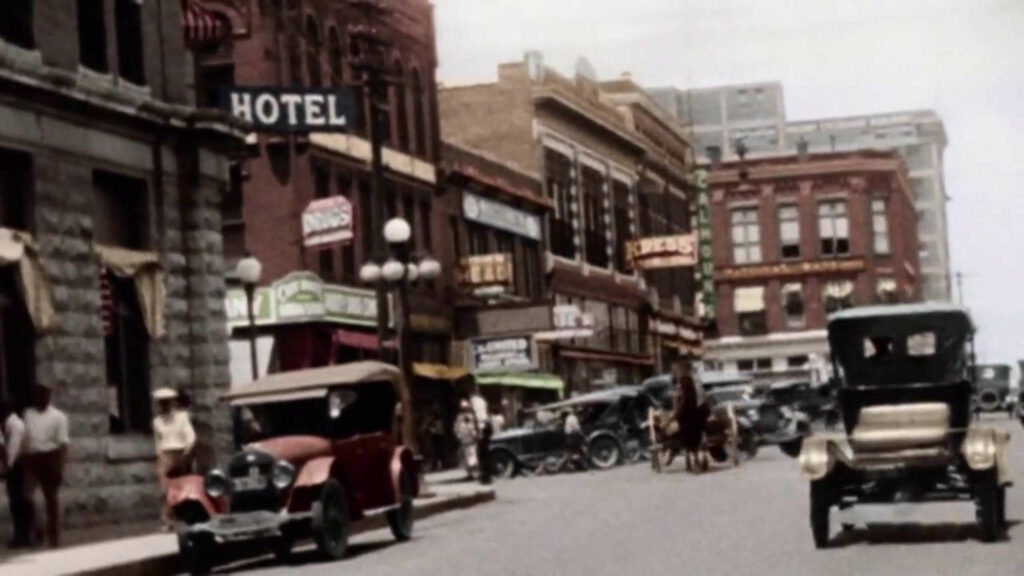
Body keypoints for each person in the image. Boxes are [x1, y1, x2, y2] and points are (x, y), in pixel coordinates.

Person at [22, 384, 69, 548]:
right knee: (30, 496)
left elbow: (63, 444)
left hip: (50, 456)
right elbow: (25, 437)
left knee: (52, 499)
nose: (41, 399)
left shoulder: (59, 417)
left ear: (49, 397)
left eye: (45, 395)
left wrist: (61, 467)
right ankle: (39, 531)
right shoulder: (28, 414)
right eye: (39, 395)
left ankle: (54, 536)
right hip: (32, 457)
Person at [152, 388, 197, 530]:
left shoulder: (182, 418)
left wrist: (186, 452)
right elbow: (158, 441)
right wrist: (160, 454)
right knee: (164, 489)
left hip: (181, 453)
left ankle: (186, 517)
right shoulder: (157, 421)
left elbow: (191, 437)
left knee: (183, 487)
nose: (165, 406)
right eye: (162, 403)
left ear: (172, 403)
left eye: (167, 403)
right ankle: (168, 520)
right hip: (166, 454)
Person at [0, 401, 29, 548]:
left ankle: (23, 536)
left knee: (18, 503)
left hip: (17, 467)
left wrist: (7, 468)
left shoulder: (15, 425)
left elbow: (13, 447)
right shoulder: (9, 424)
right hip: (15, 466)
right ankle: (21, 535)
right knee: (16, 503)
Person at [470, 389, 492, 485]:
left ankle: (485, 477)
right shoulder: (482, 401)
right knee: (484, 454)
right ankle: (486, 476)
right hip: (484, 428)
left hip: (482, 428)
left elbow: (478, 418)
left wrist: (478, 432)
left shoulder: (474, 402)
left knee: (482, 454)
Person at [454, 400, 479, 479]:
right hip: (469, 443)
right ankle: (471, 474)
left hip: (467, 443)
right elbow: (457, 430)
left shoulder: (466, 419)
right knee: (470, 458)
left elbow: (457, 431)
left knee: (469, 458)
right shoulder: (462, 419)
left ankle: (472, 474)